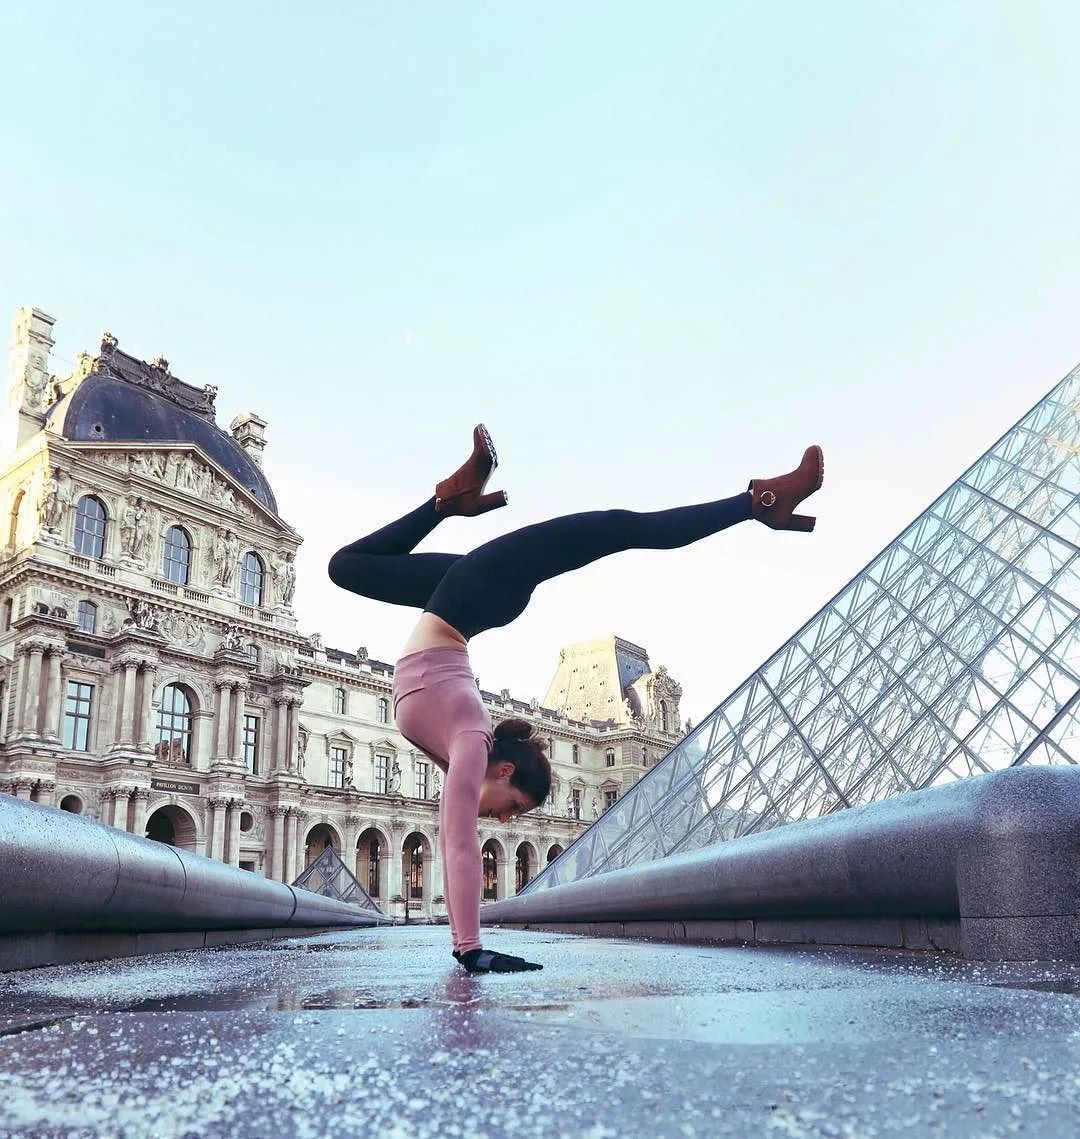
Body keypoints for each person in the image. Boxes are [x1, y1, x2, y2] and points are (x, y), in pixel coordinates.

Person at [328, 424, 823, 973]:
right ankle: (758, 502)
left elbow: (457, 832)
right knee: (617, 528)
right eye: (515, 806)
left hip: (461, 600)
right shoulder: (469, 741)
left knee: (347, 567)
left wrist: (468, 945)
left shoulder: (462, 748)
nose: (507, 821)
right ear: (505, 770)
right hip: (476, 592)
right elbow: (460, 843)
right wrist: (470, 949)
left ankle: (450, 500)